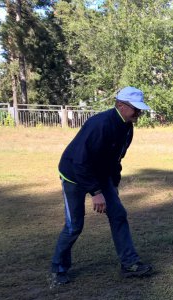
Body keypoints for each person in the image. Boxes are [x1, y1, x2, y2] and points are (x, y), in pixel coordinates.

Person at [50, 86, 154, 285]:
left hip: (101, 174)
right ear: (120, 105)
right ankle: (58, 269)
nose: (139, 113)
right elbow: (80, 161)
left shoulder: (127, 128)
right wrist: (96, 192)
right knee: (74, 226)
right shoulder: (99, 124)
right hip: (74, 174)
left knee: (118, 214)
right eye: (135, 108)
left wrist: (112, 185)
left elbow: (115, 159)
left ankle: (129, 264)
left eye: (140, 109)